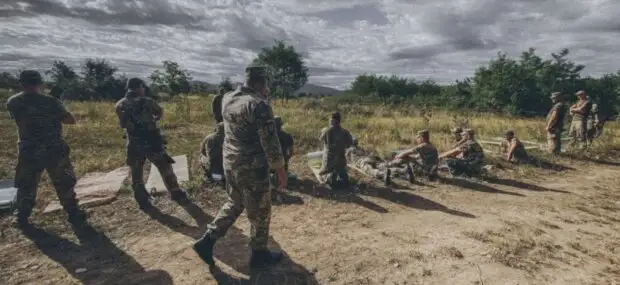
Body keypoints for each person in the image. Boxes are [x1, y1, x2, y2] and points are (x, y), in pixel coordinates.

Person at [193, 65, 287, 269]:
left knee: (235, 202)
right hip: (252, 167)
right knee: (261, 211)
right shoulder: (258, 105)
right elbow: (270, 142)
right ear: (261, 83)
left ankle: (208, 240)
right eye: (265, 85)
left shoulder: (228, 98)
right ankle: (259, 254)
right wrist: (279, 169)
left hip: (231, 162)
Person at [6, 70, 87, 228]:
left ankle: (21, 217)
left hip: (28, 148)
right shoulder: (51, 101)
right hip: (53, 148)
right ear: (40, 83)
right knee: (64, 182)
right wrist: (58, 102)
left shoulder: (13, 101)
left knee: (27, 185)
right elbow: (69, 120)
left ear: (21, 83)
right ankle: (73, 213)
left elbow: (23, 119)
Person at [115, 78, 187, 210]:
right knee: (164, 166)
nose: (143, 89)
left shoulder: (119, 105)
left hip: (133, 141)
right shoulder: (147, 101)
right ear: (139, 87)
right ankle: (176, 192)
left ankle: (141, 197)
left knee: (136, 171)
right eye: (142, 87)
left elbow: (122, 124)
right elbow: (159, 113)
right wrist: (152, 120)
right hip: (151, 140)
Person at [319, 112, 354, 189]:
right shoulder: (345, 132)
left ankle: (329, 176)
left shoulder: (325, 130)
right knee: (342, 172)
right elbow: (350, 144)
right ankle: (342, 177)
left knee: (322, 173)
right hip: (341, 161)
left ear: (331, 120)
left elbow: (320, 140)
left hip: (329, 161)